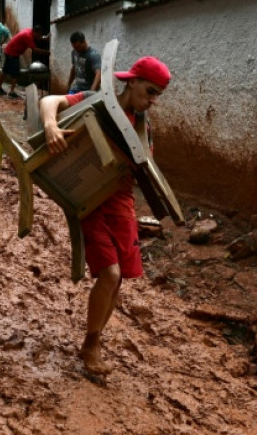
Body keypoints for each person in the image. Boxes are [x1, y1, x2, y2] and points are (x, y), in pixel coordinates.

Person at [39, 56, 171, 375]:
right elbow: (50, 100)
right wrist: (50, 125)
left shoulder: (144, 127)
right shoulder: (96, 102)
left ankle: (92, 341)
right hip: (91, 197)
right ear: (132, 82)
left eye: (158, 96)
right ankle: (92, 344)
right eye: (149, 92)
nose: (152, 101)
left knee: (120, 278)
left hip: (122, 201)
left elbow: (143, 169)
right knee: (109, 274)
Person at [0, 25, 50, 99]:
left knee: (5, 71)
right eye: (39, 35)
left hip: (9, 51)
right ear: (35, 32)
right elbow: (35, 50)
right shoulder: (27, 36)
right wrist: (48, 53)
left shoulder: (29, 31)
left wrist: (44, 38)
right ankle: (11, 92)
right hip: (12, 53)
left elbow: (37, 38)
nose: (39, 36)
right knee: (15, 73)